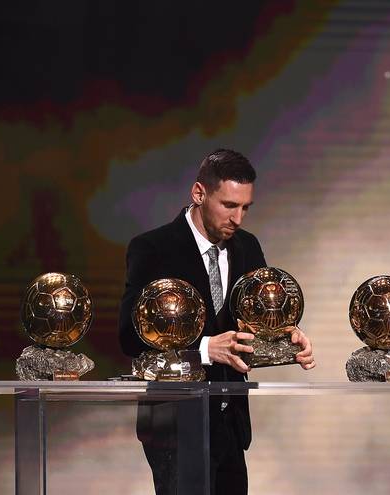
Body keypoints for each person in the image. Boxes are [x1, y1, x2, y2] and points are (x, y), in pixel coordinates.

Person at [119, 149, 315, 495]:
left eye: (245, 208)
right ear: (199, 194)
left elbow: (253, 326)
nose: (238, 218)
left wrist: (287, 340)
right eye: (228, 205)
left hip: (231, 424)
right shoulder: (152, 248)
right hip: (175, 424)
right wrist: (207, 349)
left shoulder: (248, 247)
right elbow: (129, 337)